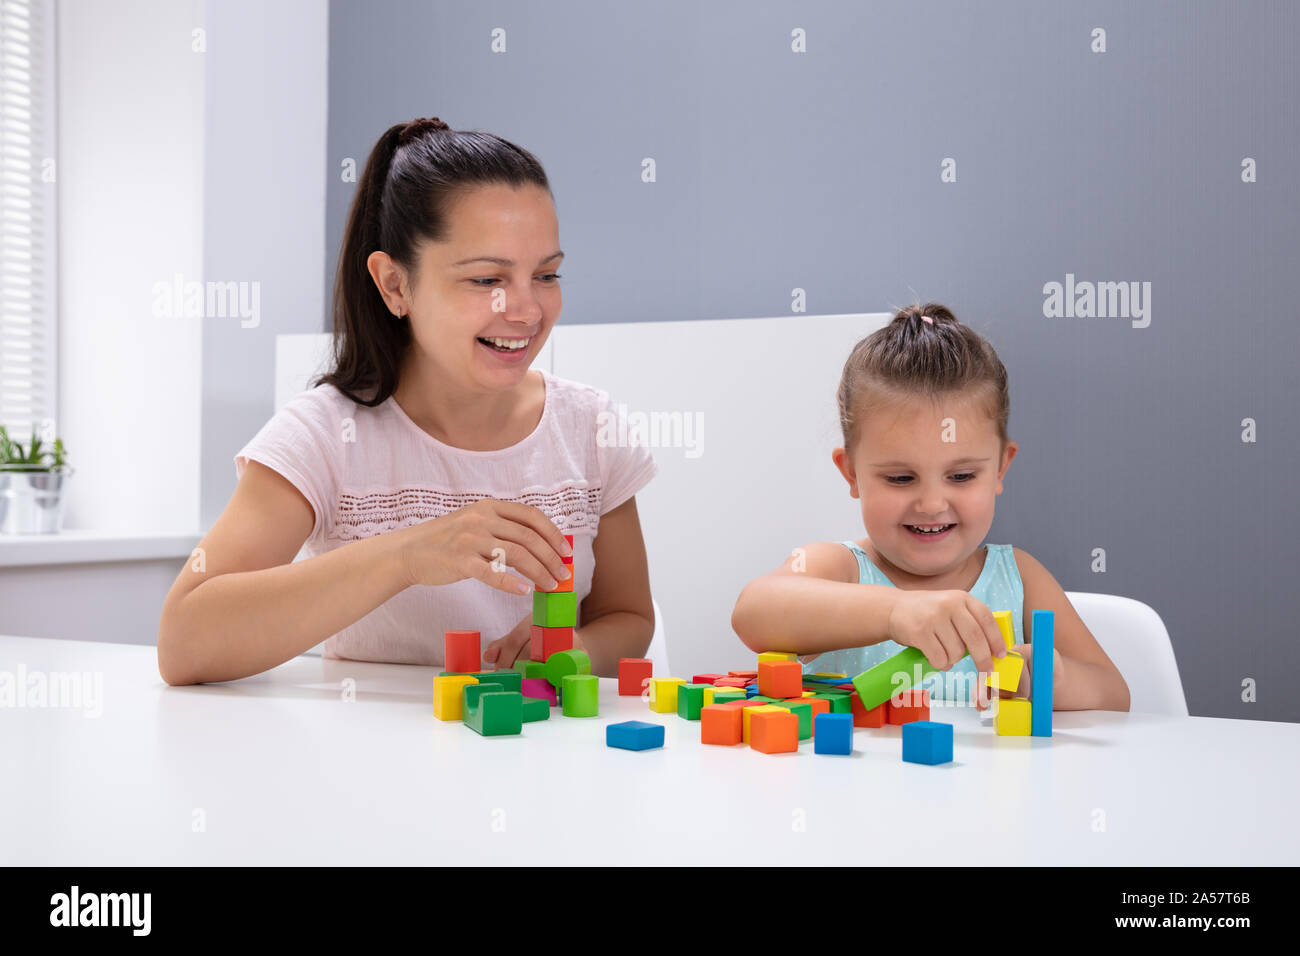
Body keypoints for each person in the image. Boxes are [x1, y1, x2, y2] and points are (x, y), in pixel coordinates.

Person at [158, 117, 656, 684]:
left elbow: (628, 616)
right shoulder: (324, 435)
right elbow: (183, 642)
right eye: (486, 279)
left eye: (547, 274)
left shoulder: (590, 428)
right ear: (395, 285)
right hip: (371, 763)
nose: (526, 310)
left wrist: (578, 651)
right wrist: (409, 555)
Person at [731, 303, 1129, 711]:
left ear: (999, 469)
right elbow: (753, 611)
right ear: (851, 473)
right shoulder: (839, 570)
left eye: (961, 477)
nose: (932, 503)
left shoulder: (1020, 577)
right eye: (901, 478)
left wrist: (1047, 678)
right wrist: (895, 611)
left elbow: (1115, 694)